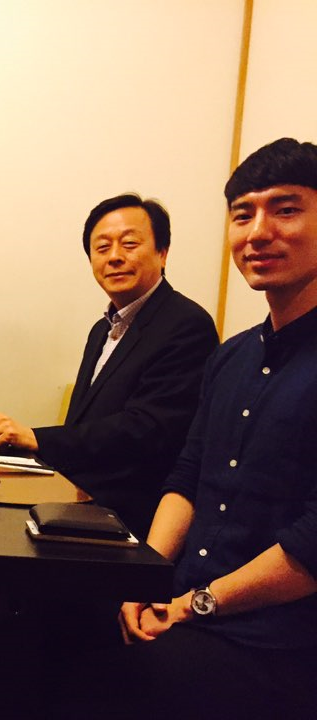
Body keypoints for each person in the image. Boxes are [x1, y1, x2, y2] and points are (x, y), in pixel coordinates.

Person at [66, 137, 317, 718]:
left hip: (277, 638)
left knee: (88, 681)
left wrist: (192, 604)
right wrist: (145, 579)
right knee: (31, 631)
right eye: (242, 215)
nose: (258, 232)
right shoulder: (232, 357)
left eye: (285, 210)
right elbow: (187, 476)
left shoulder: (186, 327)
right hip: (187, 599)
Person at [0, 194, 219, 536]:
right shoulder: (102, 329)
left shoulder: (186, 324)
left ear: (163, 253)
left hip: (130, 522)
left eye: (129, 244)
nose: (114, 256)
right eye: (102, 248)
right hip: (77, 503)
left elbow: (147, 431)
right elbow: (86, 425)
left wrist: (37, 438)